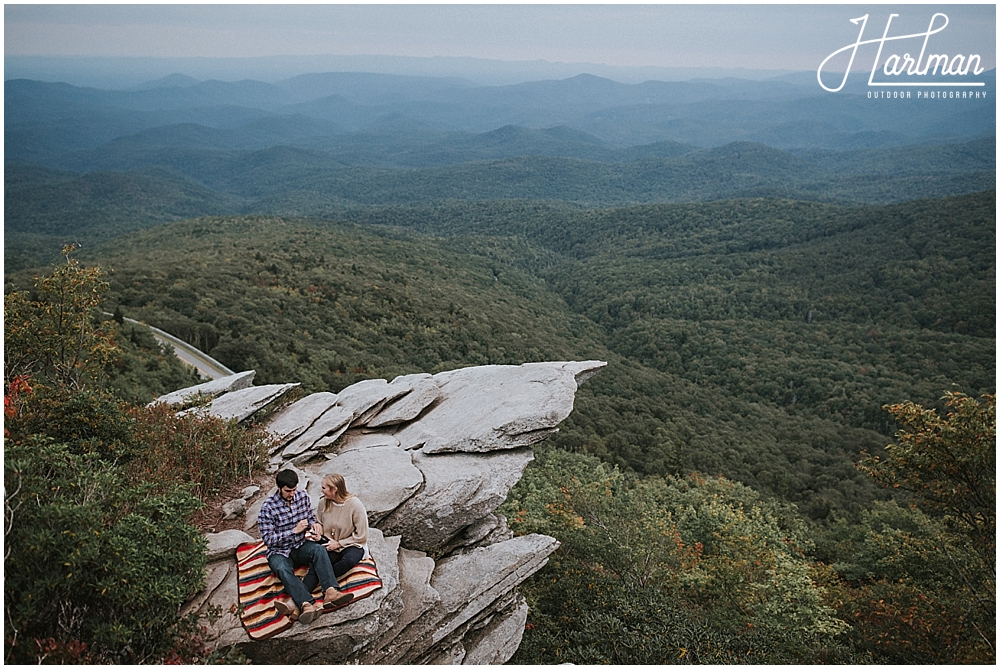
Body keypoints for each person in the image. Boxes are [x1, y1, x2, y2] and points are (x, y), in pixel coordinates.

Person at [257, 469, 352, 625]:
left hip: (300, 545)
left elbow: (310, 517)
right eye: (288, 491)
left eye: (294, 489)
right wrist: (293, 531)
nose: (292, 494)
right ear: (279, 488)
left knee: (319, 550)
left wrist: (315, 526)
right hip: (279, 551)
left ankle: (330, 592)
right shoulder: (268, 508)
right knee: (281, 568)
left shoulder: (302, 496)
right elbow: (268, 540)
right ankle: (306, 604)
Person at [311, 473, 369, 583]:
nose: (321, 490)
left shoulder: (355, 505)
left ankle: (323, 580)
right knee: (318, 562)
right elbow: (319, 522)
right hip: (328, 542)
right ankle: (300, 597)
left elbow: (362, 536)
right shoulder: (323, 502)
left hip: (350, 543)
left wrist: (338, 544)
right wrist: (318, 528)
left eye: (324, 488)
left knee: (349, 560)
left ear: (334, 490)